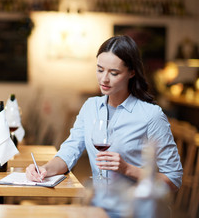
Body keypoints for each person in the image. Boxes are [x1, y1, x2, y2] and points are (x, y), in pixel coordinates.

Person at [26, 35, 183, 217]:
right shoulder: (90, 107)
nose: (104, 79)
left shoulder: (151, 115)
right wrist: (44, 169)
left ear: (132, 72)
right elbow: (69, 151)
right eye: (100, 70)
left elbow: (173, 179)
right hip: (100, 209)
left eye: (114, 73)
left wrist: (127, 169)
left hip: (136, 211)